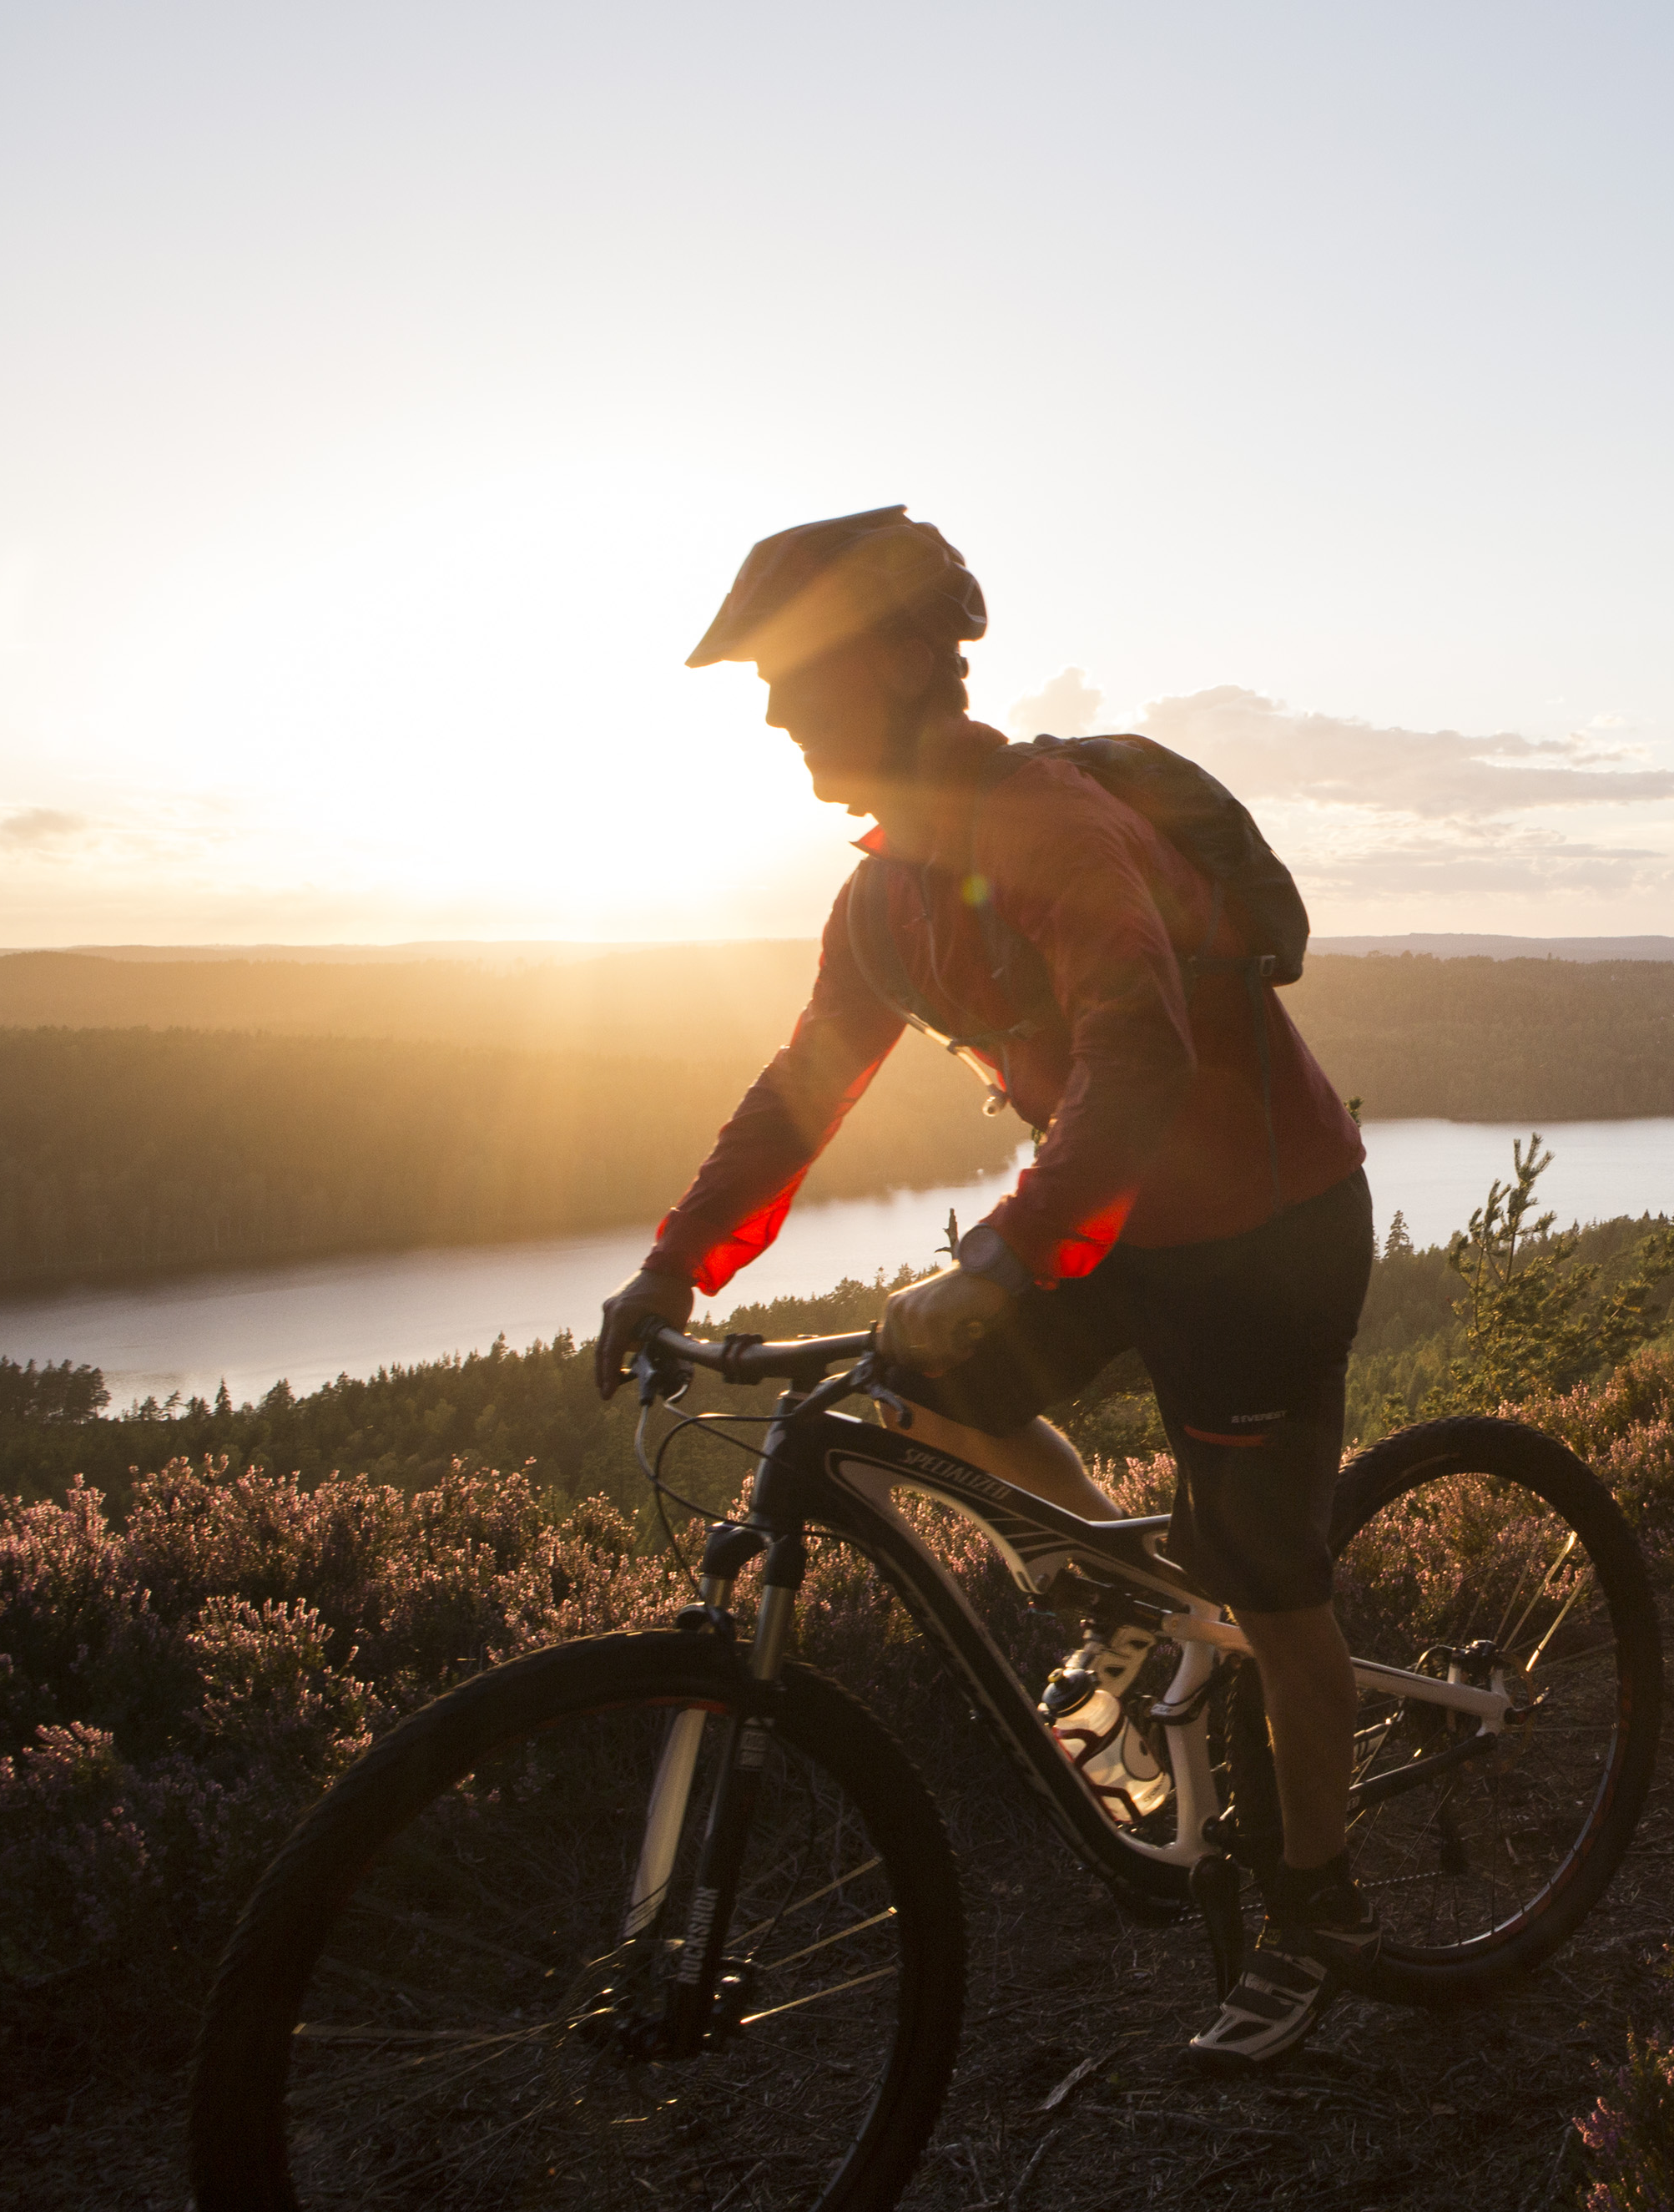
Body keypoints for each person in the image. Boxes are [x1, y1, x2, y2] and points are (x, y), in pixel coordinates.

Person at [589, 506, 1378, 2068]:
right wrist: (670, 1264)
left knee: (1273, 1596)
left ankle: (1318, 1913)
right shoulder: (886, 897)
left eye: (788, 672)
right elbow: (799, 1094)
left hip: (1262, 1235)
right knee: (922, 1384)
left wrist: (1012, 1253)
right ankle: (1108, 1611)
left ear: (895, 662)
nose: (767, 709)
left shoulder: (1053, 826)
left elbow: (1135, 1056)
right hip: (1122, 1225)